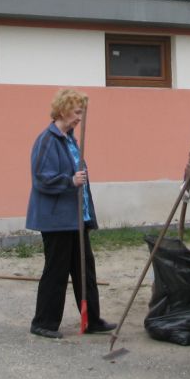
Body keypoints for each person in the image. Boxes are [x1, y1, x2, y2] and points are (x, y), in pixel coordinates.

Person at [26, 88, 116, 339]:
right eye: (77, 112)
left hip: (77, 218)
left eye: (82, 113)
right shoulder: (47, 140)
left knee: (85, 270)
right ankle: (43, 322)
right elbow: (41, 178)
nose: (80, 118)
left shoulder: (70, 140)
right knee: (56, 271)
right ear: (63, 110)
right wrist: (70, 181)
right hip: (57, 220)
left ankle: (91, 320)